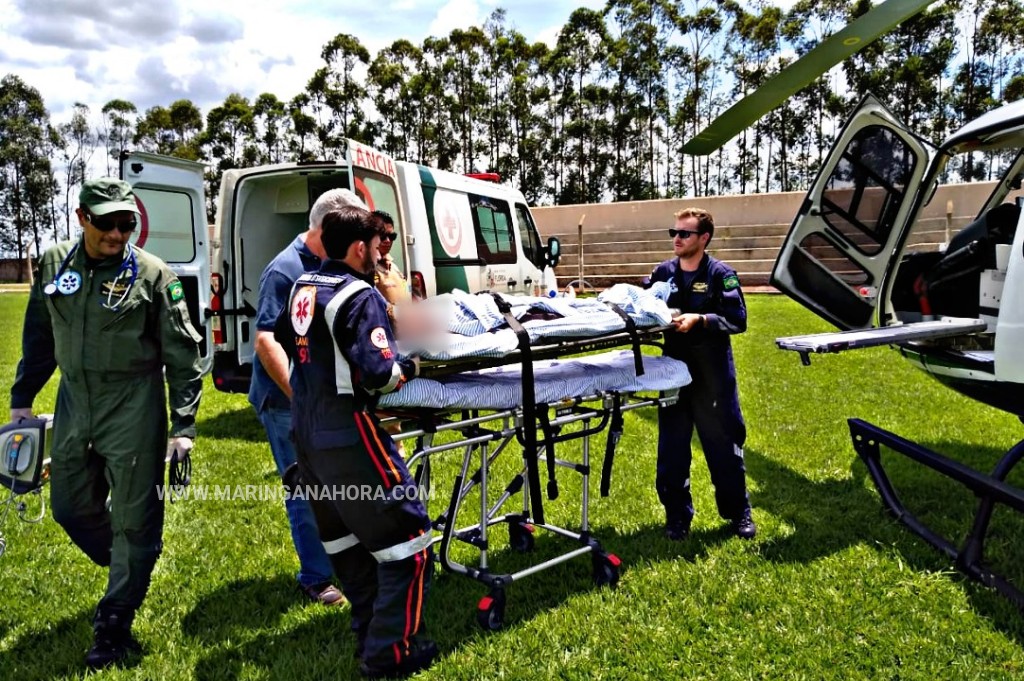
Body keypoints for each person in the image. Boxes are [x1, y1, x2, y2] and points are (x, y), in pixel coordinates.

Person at [8, 177, 204, 669]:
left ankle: (114, 621)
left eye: (127, 224)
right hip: (75, 399)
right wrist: (21, 398)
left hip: (133, 403)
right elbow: (38, 335)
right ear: (81, 218)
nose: (118, 235)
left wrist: (183, 426)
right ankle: (132, 557)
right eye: (107, 224)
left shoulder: (154, 275)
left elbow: (184, 356)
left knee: (135, 518)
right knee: (69, 507)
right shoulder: (55, 265)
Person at [276, 206, 436, 679]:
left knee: (347, 542)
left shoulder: (303, 287)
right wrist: (409, 366)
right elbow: (380, 374)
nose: (381, 251)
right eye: (378, 241)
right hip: (349, 432)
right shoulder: (358, 294)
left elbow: (293, 344)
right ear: (359, 247)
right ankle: (391, 652)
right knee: (410, 541)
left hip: (306, 434)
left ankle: (368, 628)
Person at [249, 188, 367, 606]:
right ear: (325, 226)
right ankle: (316, 577)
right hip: (287, 403)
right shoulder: (284, 270)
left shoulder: (333, 263)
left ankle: (343, 558)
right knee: (305, 487)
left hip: (324, 399)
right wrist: (300, 397)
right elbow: (265, 340)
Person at [647, 207, 756, 541]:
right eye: (674, 233)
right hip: (673, 375)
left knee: (724, 447)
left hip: (713, 378)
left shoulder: (721, 274)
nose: (677, 239)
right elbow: (644, 308)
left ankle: (738, 513)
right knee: (672, 452)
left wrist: (702, 320)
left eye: (685, 234)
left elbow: (737, 320)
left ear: (704, 238)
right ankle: (677, 517)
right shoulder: (661, 273)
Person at [372, 209, 410, 308]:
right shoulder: (368, 269)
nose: (388, 241)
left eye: (391, 236)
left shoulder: (394, 267)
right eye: (383, 236)